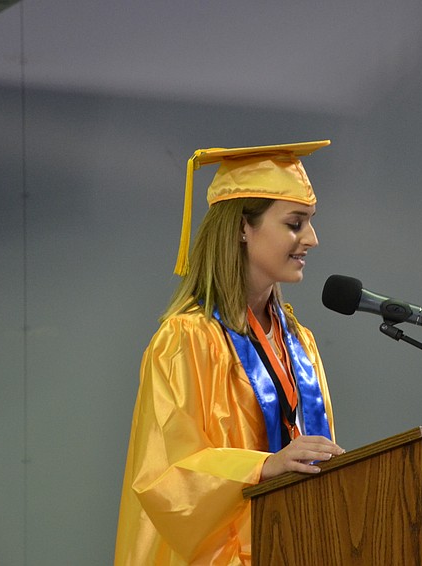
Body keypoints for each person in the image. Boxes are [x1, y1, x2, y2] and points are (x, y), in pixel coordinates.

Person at [113, 140, 344, 565]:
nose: (311, 239)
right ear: (242, 227)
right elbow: (166, 476)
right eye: (295, 223)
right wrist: (263, 467)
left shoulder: (299, 342)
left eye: (310, 223)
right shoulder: (185, 341)